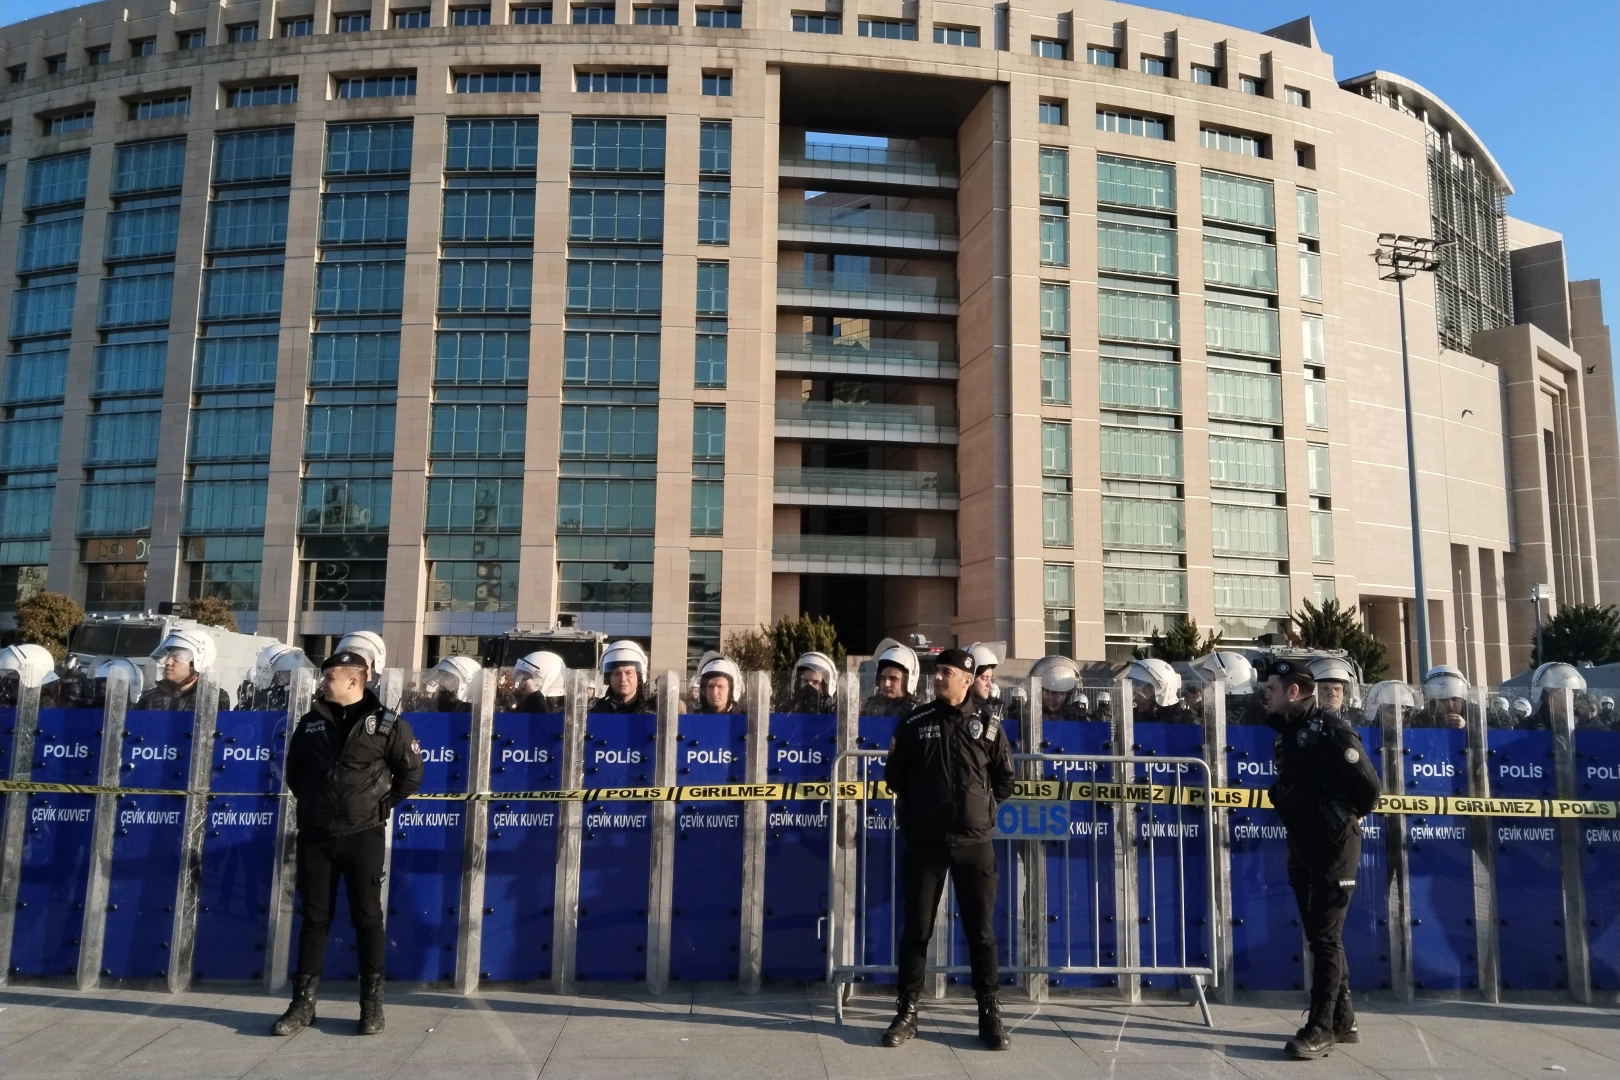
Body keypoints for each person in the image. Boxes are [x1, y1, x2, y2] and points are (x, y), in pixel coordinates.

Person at [273, 650, 423, 1037]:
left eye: (329, 677)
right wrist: (316, 805)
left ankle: (371, 1006)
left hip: (363, 834)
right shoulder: (311, 722)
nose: (323, 683)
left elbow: (411, 774)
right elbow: (295, 774)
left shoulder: (388, 724)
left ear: (353, 681)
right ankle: (303, 1004)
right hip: (316, 835)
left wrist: (379, 806)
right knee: (314, 919)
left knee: (367, 918)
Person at [881, 648, 1016, 1051]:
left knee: (982, 933)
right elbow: (895, 777)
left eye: (946, 672)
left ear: (967, 680)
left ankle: (989, 1015)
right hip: (926, 844)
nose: (937, 677)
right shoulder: (915, 721)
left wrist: (980, 809)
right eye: (937, 671)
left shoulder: (989, 724)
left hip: (975, 845)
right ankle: (907, 1012)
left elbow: (1005, 779)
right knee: (917, 930)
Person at [1259, 658, 1381, 1060]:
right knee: (1318, 935)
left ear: (1293, 691)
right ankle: (1344, 1020)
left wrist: (1343, 818)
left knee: (1326, 937)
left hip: (1334, 845)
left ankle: (1321, 1026)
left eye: (1272, 689)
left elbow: (1369, 788)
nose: (1266, 695)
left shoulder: (1330, 730)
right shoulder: (1286, 734)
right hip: (1303, 843)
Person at [135, 626, 232, 711]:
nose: (168, 662)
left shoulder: (213, 697)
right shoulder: (149, 698)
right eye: (168, 657)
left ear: (196, 664)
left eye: (177, 658)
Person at [1129, 658, 1198, 724]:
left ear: (1161, 691)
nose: (1134, 692)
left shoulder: (1184, 722)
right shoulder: (1130, 717)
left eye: (1138, 684)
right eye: (1132, 684)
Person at [862, 638, 920, 718]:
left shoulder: (918, 711)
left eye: (893, 679)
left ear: (908, 680)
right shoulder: (870, 708)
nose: (886, 684)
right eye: (883, 678)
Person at [596, 639, 652, 713]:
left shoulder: (652, 713)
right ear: (608, 678)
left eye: (629, 673)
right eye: (617, 673)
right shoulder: (597, 711)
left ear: (639, 676)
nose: (623, 679)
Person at [1527, 662, 1586, 731]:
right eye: (1562, 691)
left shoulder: (1582, 721)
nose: (1571, 696)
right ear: (1546, 695)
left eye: (1573, 691)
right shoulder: (1532, 725)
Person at [1308, 656, 1364, 724]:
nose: (1332, 694)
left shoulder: (1357, 719)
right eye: (1325, 688)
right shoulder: (1306, 718)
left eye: (1337, 689)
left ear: (1344, 693)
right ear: (1315, 692)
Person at [1414, 665, 1471, 729]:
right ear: (1432, 703)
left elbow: (1478, 733)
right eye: (1443, 700)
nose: (1449, 705)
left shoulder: (1473, 717)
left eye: (1454, 699)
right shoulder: (1421, 722)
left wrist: (1465, 728)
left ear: (1463, 700)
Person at [1030, 655, 1084, 720]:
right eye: (1052, 693)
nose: (1057, 699)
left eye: (1062, 693)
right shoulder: (1029, 716)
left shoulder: (1072, 717)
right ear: (1039, 692)